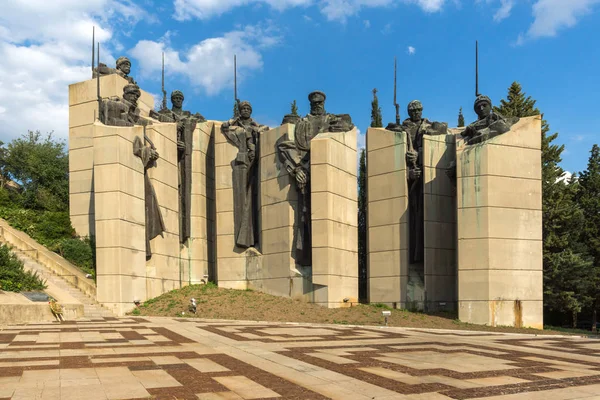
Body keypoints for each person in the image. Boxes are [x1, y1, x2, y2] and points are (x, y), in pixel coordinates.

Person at [277, 91, 354, 266]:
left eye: (319, 103)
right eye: (314, 104)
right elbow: (285, 145)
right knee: (305, 215)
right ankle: (307, 258)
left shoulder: (331, 120)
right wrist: (297, 170)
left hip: (325, 173)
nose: (317, 106)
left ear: (324, 103)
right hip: (304, 171)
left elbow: (347, 122)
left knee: (325, 215)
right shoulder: (302, 122)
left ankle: (326, 261)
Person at [221, 101, 268, 248]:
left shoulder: (256, 126)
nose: (246, 110)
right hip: (242, 164)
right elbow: (225, 127)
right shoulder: (236, 126)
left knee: (251, 195)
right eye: (243, 109)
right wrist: (234, 120)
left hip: (255, 162)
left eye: (248, 109)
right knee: (242, 197)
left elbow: (265, 130)